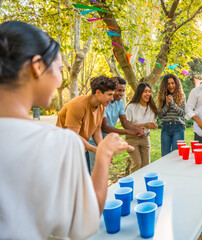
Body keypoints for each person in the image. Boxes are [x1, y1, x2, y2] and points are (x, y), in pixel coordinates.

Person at [0, 21, 133, 239]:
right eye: (60, 69)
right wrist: (104, 153)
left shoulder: (99, 108)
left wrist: (100, 145)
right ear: (37, 66)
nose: (60, 79)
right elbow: (83, 223)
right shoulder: (59, 143)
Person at [56, 75, 118, 172]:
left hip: (82, 150)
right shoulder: (78, 105)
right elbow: (73, 136)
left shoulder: (101, 107)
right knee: (71, 185)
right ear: (98, 92)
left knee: (86, 182)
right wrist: (96, 150)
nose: (112, 98)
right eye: (109, 95)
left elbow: (96, 132)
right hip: (66, 152)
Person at [88, 76, 145, 173]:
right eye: (119, 90)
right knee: (95, 171)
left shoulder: (119, 103)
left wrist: (137, 129)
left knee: (104, 170)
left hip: (105, 141)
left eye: (123, 91)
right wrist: (129, 131)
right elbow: (105, 127)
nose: (121, 94)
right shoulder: (103, 103)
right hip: (93, 141)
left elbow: (124, 122)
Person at [126, 82, 158, 173]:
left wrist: (152, 126)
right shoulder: (131, 107)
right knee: (137, 163)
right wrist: (144, 125)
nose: (148, 94)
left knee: (146, 164)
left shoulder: (152, 108)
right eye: (145, 91)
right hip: (132, 138)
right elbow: (126, 126)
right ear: (139, 92)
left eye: (149, 91)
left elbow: (150, 124)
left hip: (145, 138)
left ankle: (144, 184)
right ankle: (134, 184)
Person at [157, 74, 186, 156]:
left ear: (176, 84)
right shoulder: (162, 97)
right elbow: (159, 115)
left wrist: (173, 104)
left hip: (178, 128)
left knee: (176, 156)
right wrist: (166, 105)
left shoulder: (181, 96)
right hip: (165, 128)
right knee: (165, 156)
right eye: (168, 84)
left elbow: (182, 113)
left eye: (172, 83)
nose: (170, 86)